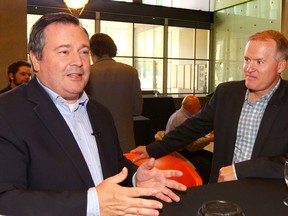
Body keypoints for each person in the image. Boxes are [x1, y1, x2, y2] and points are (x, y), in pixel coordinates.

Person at [0, 12, 186, 216]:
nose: (78, 62)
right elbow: (6, 200)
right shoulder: (7, 112)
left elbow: (113, 164)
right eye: (64, 52)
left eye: (83, 52)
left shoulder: (100, 112)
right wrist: (92, 203)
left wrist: (135, 178)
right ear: (36, 59)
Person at [131, 29, 288, 184]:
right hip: (221, 191)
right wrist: (152, 149)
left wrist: (240, 170)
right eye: (247, 60)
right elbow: (193, 127)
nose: (248, 68)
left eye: (259, 62)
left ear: (281, 66)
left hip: (267, 196)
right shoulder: (227, 93)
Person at [85, 33, 143, 153]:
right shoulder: (131, 72)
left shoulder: (86, 73)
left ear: (91, 51)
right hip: (125, 142)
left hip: (95, 142)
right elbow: (138, 110)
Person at [163, 95, 213, 184]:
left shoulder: (181, 114)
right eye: (198, 104)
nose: (200, 106)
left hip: (183, 147)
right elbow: (191, 146)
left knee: (212, 156)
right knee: (206, 165)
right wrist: (209, 139)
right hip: (180, 151)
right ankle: (202, 186)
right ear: (191, 107)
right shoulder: (182, 119)